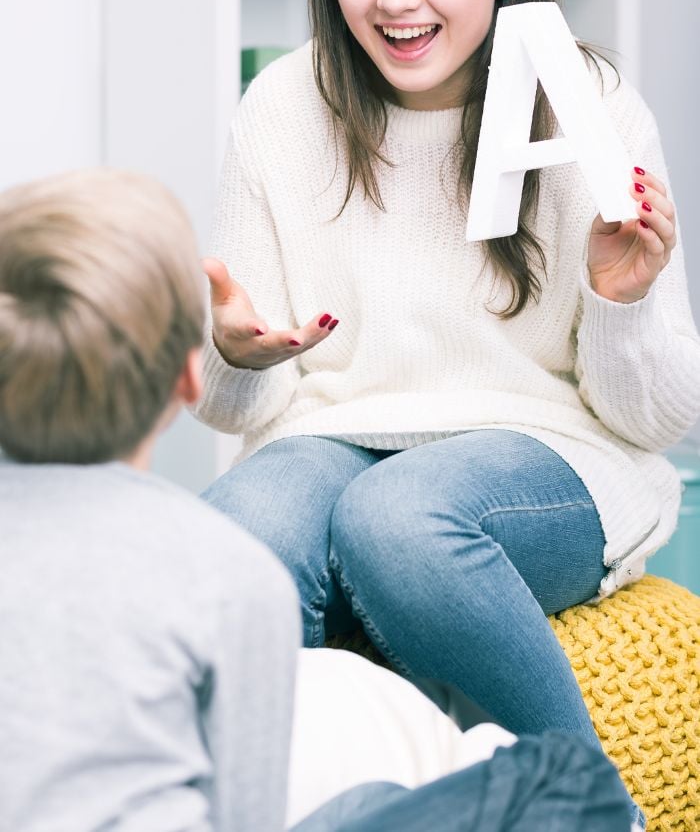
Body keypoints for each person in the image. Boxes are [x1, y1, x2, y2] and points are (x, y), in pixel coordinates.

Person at [194, 0, 700, 829]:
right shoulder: (282, 106)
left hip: (549, 453)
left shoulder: (586, 102)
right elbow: (248, 408)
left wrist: (621, 297)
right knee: (236, 532)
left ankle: (595, 809)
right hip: (331, 437)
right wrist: (241, 358)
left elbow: (657, 421)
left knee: (400, 518)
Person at [0, 167, 631, 832]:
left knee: (371, 796)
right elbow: (250, 816)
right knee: (558, 783)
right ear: (189, 378)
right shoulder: (231, 575)